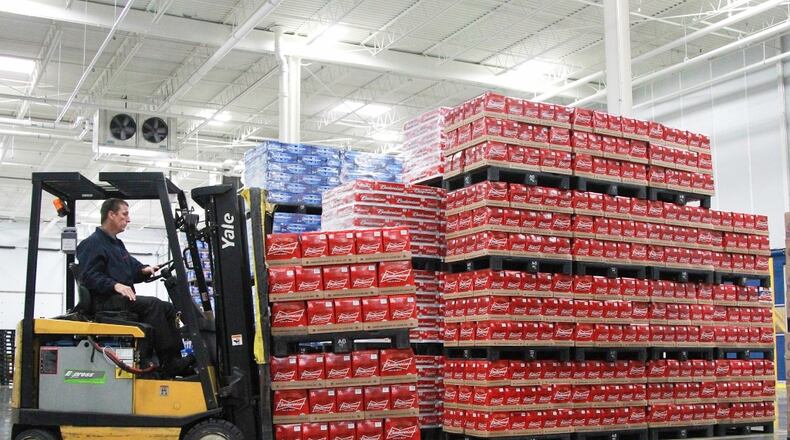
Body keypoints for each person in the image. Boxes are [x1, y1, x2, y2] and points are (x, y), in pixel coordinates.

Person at [76, 198, 194, 377]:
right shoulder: (92, 243)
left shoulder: (116, 244)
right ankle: (168, 363)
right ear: (111, 214)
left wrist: (144, 270)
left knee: (168, 308)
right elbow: (89, 276)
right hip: (104, 302)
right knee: (153, 305)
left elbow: (131, 267)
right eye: (125, 214)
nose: (128, 219)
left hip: (119, 301)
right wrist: (115, 285)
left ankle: (175, 359)